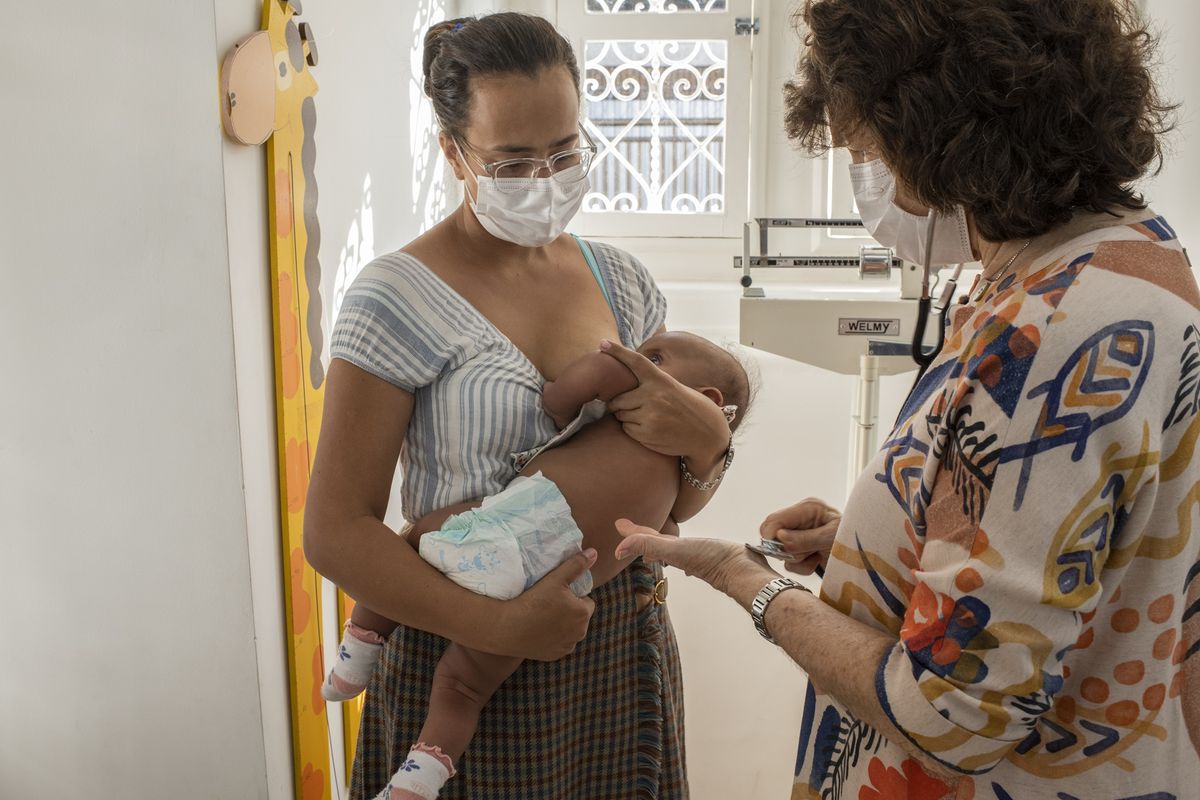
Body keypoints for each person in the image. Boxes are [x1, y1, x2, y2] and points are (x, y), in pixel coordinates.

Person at [613, 0, 1200, 797]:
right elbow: (1061, 539)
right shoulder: (1130, 259)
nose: (874, 183)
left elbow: (953, 714)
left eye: (869, 152)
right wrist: (876, 542)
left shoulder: (1049, 332)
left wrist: (748, 582)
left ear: (943, 133)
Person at [304, 12, 732, 799]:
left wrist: (709, 447)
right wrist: (497, 628)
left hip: (616, 654)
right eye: (512, 160)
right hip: (468, 667)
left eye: (565, 151)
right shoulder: (395, 298)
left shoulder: (623, 284)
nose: (544, 178)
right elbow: (335, 532)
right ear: (453, 152)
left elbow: (663, 505)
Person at [321, 332, 750, 799]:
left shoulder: (629, 376)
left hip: (503, 531)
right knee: (463, 688)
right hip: (554, 590)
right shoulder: (670, 487)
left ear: (706, 400)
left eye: (656, 357)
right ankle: (417, 778)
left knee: (417, 538)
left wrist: (569, 397)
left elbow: (566, 392)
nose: (639, 357)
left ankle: (361, 646)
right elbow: (669, 530)